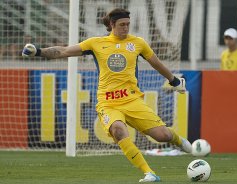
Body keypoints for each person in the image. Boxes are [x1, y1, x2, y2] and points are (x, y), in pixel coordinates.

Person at [22, 8, 191, 182]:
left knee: (162, 136)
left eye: (128, 25)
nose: (126, 28)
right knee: (118, 131)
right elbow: (64, 51)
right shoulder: (96, 43)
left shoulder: (138, 43)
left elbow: (156, 63)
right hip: (108, 103)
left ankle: (177, 140)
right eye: (122, 25)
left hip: (132, 100)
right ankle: (149, 173)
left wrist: (174, 81)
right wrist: (39, 51)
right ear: (112, 25)